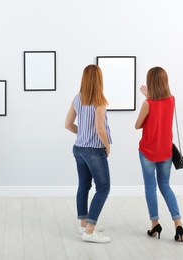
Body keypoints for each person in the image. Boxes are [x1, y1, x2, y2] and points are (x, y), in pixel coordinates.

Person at [135, 66, 183, 242]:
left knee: (150, 187)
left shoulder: (147, 103)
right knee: (165, 185)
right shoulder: (172, 100)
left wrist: (148, 98)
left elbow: (137, 125)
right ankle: (178, 225)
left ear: (150, 82)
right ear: (165, 81)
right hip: (166, 152)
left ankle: (154, 223)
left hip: (148, 151)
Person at [65, 64, 112, 243]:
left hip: (78, 149)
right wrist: (107, 146)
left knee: (83, 186)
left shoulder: (78, 98)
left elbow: (68, 124)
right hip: (94, 150)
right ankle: (90, 231)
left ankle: (83, 224)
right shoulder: (99, 100)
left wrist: (82, 133)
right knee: (103, 188)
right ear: (99, 80)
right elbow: (100, 129)